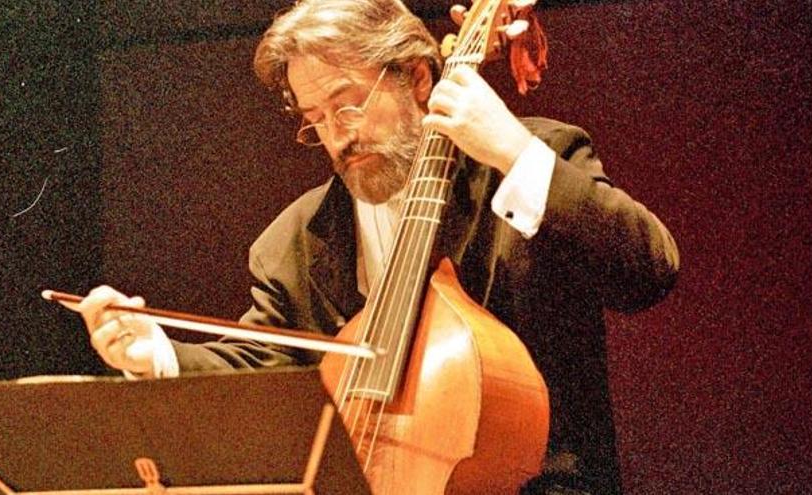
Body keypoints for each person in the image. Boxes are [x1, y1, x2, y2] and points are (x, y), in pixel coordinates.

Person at [67, 1, 679, 493]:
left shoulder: (526, 160)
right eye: (316, 118)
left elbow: (647, 271)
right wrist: (157, 353)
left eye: (347, 104)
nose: (337, 136)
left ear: (417, 78)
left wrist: (514, 152)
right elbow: (263, 369)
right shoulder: (297, 240)